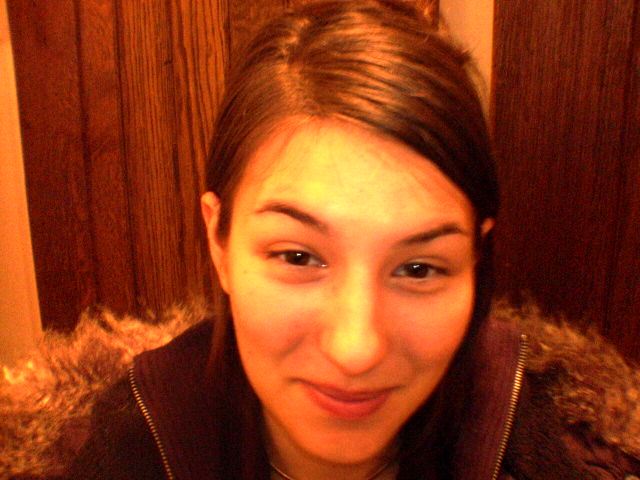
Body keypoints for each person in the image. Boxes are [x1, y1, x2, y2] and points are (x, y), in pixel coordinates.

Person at [1, 0, 639, 479]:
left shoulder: (540, 442)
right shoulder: (141, 440)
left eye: (419, 268)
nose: (356, 350)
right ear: (219, 240)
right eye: (299, 256)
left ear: (476, 258)